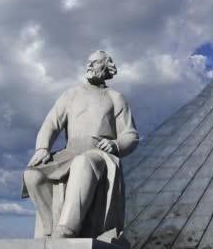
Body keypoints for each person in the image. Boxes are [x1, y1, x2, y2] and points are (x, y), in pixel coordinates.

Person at [22, 50, 139, 241]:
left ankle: (67, 229)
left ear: (107, 67)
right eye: (89, 62)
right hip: (69, 152)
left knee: (83, 162)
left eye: (96, 62)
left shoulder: (115, 97)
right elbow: (51, 123)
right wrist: (42, 148)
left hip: (100, 153)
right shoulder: (71, 95)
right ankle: (50, 229)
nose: (90, 66)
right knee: (33, 175)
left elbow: (130, 135)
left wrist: (116, 144)